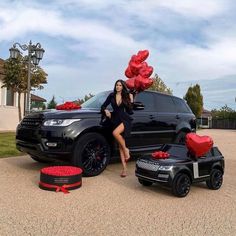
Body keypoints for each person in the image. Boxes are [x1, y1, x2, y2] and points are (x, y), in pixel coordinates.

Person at [101, 79, 134, 177]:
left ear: (123, 87)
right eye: (117, 85)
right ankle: (124, 169)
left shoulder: (126, 96)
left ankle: (126, 150)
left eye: (120, 85)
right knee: (120, 146)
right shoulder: (111, 95)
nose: (118, 87)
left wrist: (131, 100)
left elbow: (130, 111)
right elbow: (103, 106)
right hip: (115, 119)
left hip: (125, 119)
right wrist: (106, 110)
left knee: (115, 133)